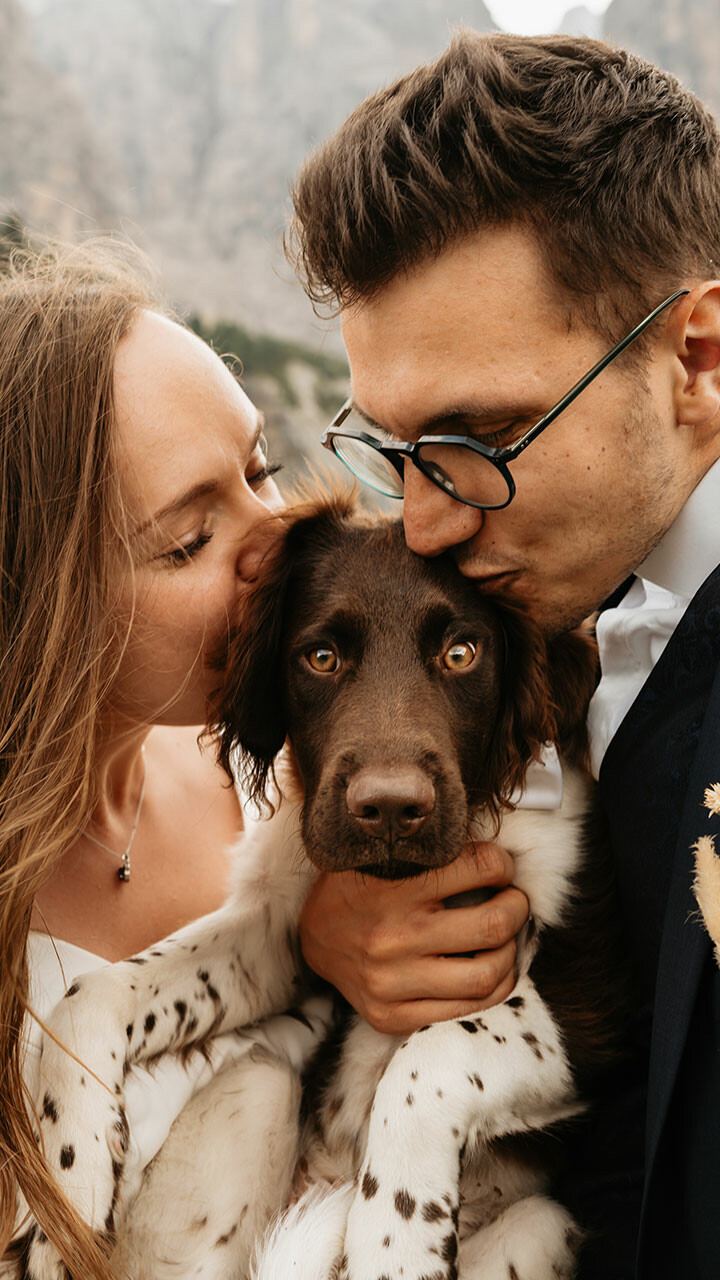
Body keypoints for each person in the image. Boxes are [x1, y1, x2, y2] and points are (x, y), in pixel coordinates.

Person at [0, 239, 519, 1278]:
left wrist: (309, 940)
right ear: (38, 605)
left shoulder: (288, 775)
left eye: (259, 470)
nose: (280, 537)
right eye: (189, 539)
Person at [292, 31, 720, 1278]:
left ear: (694, 359)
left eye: (480, 436)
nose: (425, 523)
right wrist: (336, 919)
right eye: (397, 447)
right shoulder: (538, 606)